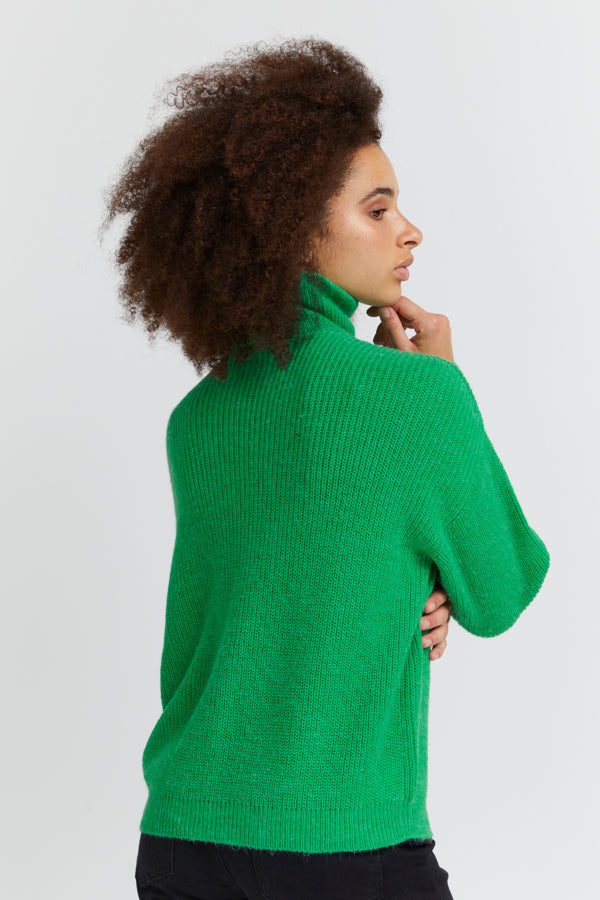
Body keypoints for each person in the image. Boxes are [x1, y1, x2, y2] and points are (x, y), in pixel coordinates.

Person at [101, 37, 550, 900]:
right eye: (377, 210)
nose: (409, 230)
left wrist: (414, 587)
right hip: (341, 845)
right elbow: (500, 591)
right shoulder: (418, 397)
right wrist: (442, 388)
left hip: (182, 841)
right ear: (294, 231)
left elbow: (300, 580)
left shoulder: (196, 420)